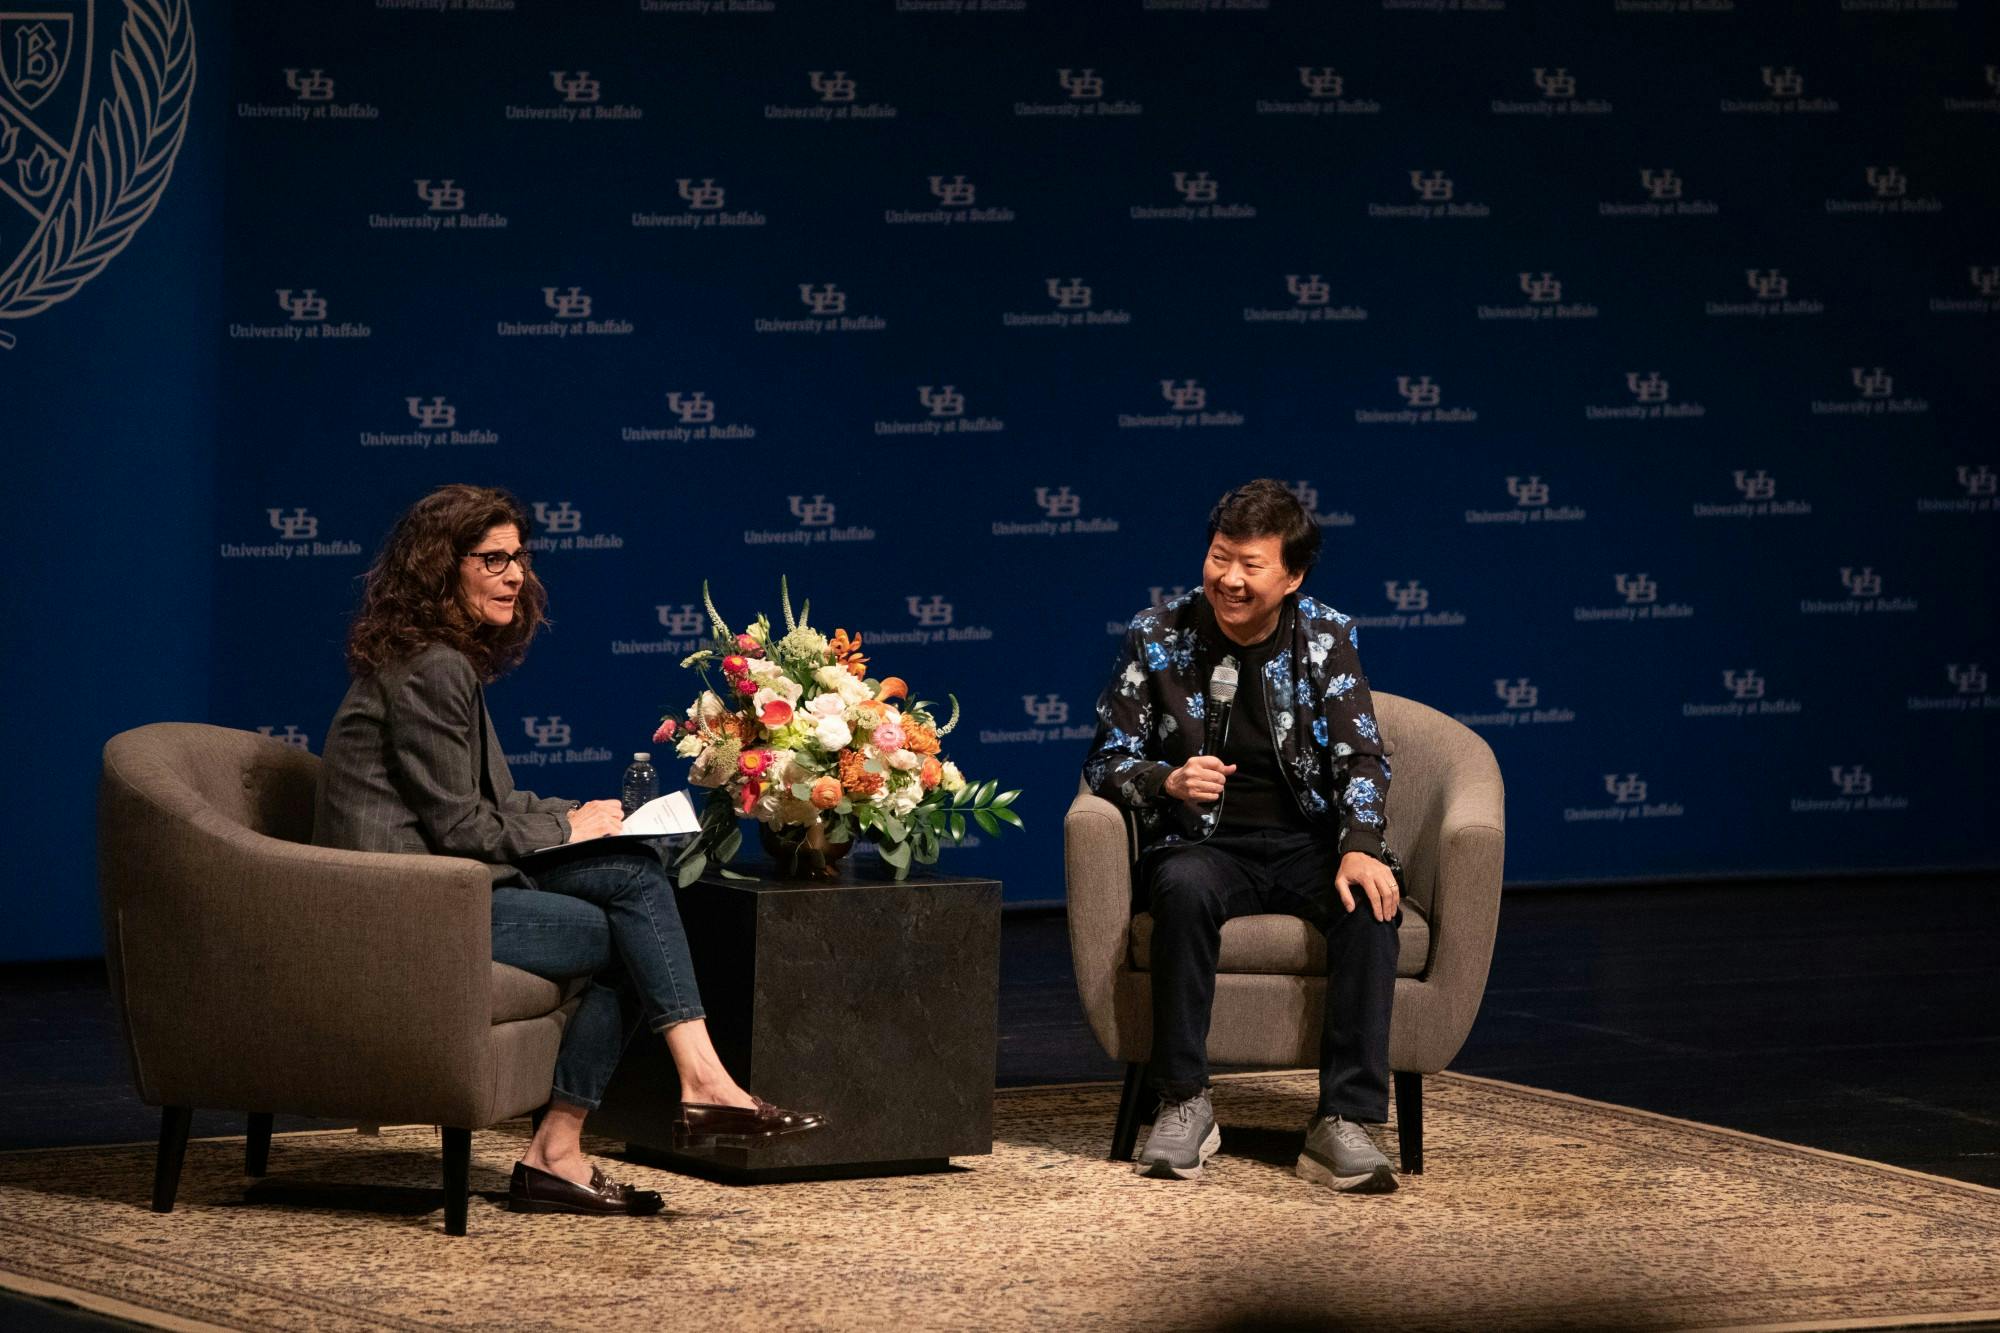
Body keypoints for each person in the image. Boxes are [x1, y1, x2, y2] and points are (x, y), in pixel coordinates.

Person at [314, 483, 823, 1217]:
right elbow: (461, 826)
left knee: (632, 885)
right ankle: (677, 1097)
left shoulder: (435, 660)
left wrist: (582, 814)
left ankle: (581, 1139)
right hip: (408, 905)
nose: (515, 575)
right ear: (439, 568)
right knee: (634, 915)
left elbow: (481, 804)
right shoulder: (432, 668)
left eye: (518, 556)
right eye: (493, 559)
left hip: (441, 885)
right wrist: (566, 831)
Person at [1081, 479, 1403, 1194]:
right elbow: (1105, 760)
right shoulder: (1157, 635)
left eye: (1250, 565)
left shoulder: (1327, 636)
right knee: (1184, 891)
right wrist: (1165, 779)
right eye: (1220, 556)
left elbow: (1361, 755)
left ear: (1291, 576)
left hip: (1308, 840)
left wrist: (1359, 843)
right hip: (1204, 845)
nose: (1229, 578)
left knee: (1372, 900)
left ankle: (1345, 1120)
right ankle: (1185, 1101)